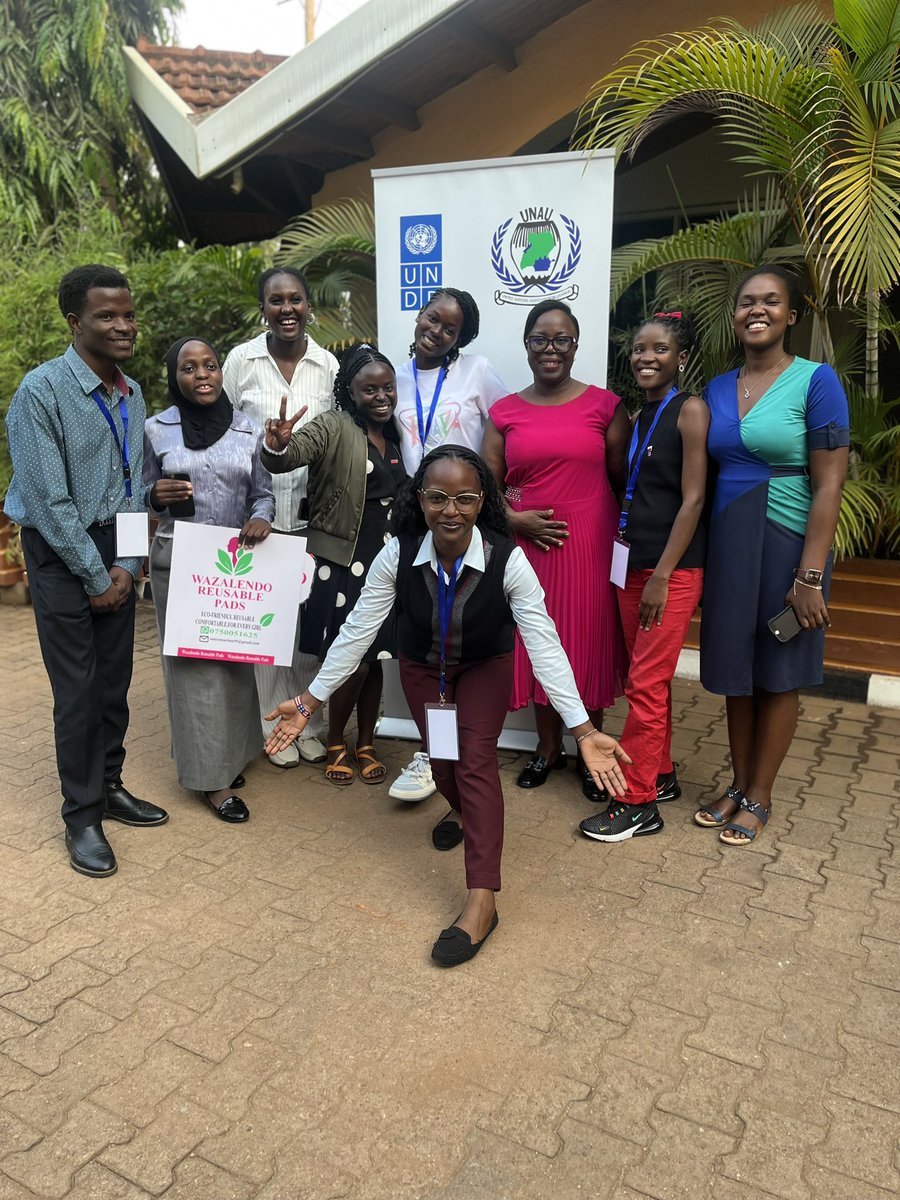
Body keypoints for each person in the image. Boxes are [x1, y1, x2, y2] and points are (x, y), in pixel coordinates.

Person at [263, 445, 632, 966]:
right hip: (422, 673)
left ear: (484, 502)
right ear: (421, 499)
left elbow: (543, 642)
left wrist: (583, 728)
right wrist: (310, 699)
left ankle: (482, 900)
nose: (450, 510)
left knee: (475, 760)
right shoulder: (399, 552)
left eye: (464, 498)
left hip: (484, 668)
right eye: (437, 497)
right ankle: (469, 816)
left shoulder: (509, 559)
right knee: (443, 764)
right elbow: (357, 631)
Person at [4, 264, 168, 877]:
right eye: (108, 316)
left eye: (128, 313)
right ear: (76, 323)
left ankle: (111, 786)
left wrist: (124, 565)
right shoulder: (40, 392)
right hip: (57, 551)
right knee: (76, 693)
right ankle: (82, 816)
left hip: (114, 549)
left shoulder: (131, 391)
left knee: (114, 683)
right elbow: (49, 502)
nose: (124, 325)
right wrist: (96, 577)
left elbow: (135, 487)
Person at [695, 266, 849, 845]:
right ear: (734, 316)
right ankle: (737, 785)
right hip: (732, 539)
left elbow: (830, 482)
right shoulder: (715, 388)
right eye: (746, 303)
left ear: (791, 314)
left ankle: (760, 794)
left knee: (779, 673)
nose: (755, 311)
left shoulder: (817, 381)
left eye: (770, 302)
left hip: (789, 540)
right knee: (737, 670)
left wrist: (810, 575)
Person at [482, 300, 630, 801]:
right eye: (540, 339)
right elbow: (486, 487)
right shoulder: (504, 412)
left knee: (585, 641)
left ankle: (594, 749)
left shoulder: (605, 406)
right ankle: (548, 749)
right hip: (528, 546)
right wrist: (515, 519)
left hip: (587, 542)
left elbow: (619, 478)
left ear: (575, 346)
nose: (551, 349)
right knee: (539, 642)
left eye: (561, 339)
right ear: (526, 345)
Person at [580, 312, 709, 843]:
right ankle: (659, 774)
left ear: (680, 357)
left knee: (645, 685)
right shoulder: (637, 415)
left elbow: (695, 497)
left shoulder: (690, 410)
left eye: (659, 349)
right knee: (646, 680)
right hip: (631, 564)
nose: (646, 358)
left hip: (667, 571)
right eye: (638, 349)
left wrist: (663, 574)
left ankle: (636, 803)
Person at [261, 345, 406, 787]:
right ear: (350, 391)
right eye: (369, 389)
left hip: (386, 561)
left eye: (387, 388)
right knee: (350, 659)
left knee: (376, 657)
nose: (381, 396)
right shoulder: (333, 425)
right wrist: (277, 443)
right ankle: (336, 741)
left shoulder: (398, 434)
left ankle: (366, 741)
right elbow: (287, 458)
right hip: (344, 560)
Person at [144, 337, 275, 822]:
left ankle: (232, 755)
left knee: (235, 667)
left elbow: (262, 494)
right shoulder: (156, 429)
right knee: (194, 673)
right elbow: (138, 496)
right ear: (174, 378)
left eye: (210, 365)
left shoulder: (249, 429)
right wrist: (154, 494)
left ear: (222, 373)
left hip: (237, 563)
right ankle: (211, 781)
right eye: (188, 368)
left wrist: (262, 517)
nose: (202, 374)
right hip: (180, 562)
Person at [389, 287, 508, 802]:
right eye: (432, 319)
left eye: (449, 329)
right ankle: (433, 750)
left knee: (463, 628)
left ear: (462, 339)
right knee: (424, 631)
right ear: (419, 315)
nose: (435, 331)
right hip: (421, 518)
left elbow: (509, 430)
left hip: (465, 516)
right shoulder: (392, 378)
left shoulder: (477, 372)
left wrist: (502, 503)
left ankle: (467, 746)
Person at [221, 267, 338, 769]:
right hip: (259, 518)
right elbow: (224, 433)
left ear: (309, 306)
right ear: (263, 308)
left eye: (295, 300)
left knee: (311, 627)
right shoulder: (240, 362)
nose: (286, 309)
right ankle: (275, 725)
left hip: (315, 518)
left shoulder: (328, 365)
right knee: (267, 629)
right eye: (276, 301)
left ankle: (311, 725)